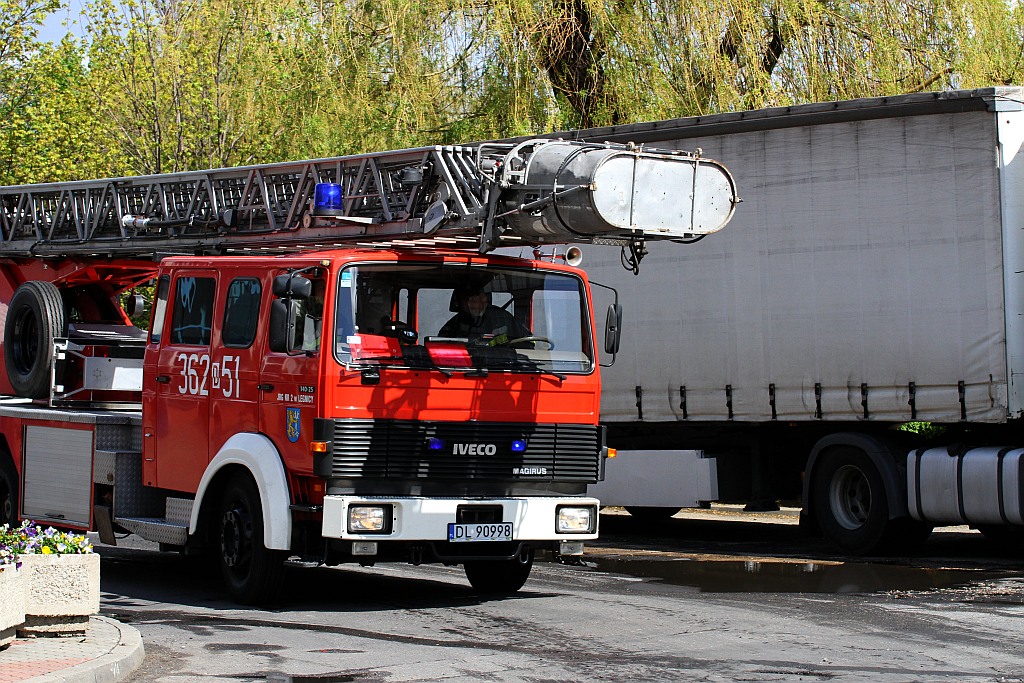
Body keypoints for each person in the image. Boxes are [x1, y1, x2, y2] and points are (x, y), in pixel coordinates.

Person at [438, 285, 530, 343]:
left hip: (503, 366)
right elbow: (439, 348)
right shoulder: (453, 325)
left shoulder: (503, 318)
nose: (471, 305)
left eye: (482, 299)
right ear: (459, 303)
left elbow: (528, 341)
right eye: (468, 300)